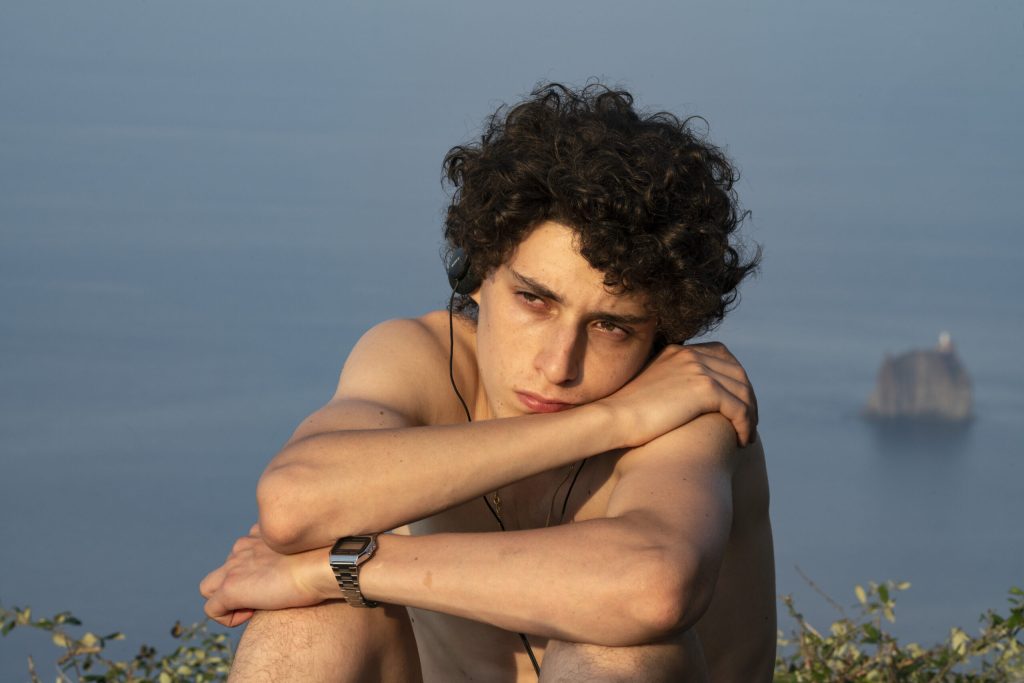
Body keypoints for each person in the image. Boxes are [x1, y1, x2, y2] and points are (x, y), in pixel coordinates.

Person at [200, 82, 775, 682]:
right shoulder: (423, 357)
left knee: (618, 648)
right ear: (476, 273)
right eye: (535, 300)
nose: (559, 365)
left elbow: (651, 588)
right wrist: (610, 421)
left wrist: (329, 570)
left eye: (610, 327)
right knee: (307, 622)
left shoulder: (691, 401)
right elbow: (292, 505)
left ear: (663, 330)